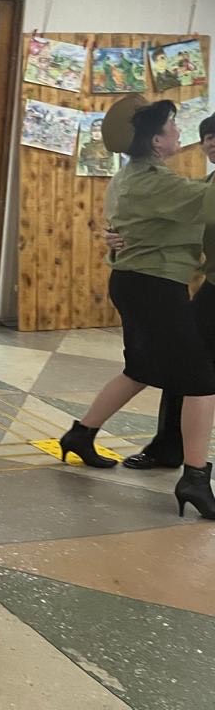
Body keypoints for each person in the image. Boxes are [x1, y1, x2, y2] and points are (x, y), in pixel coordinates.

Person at [62, 96, 215, 521]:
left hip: (138, 282)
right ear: (155, 141)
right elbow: (206, 203)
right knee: (200, 381)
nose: (180, 133)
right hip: (155, 286)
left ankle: (80, 434)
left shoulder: (137, 175)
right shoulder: (155, 183)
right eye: (172, 127)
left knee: (141, 368)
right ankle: (195, 478)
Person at [103, 112, 215, 470]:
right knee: (187, 369)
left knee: (190, 370)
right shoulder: (202, 186)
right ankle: (170, 449)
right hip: (211, 288)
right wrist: (122, 236)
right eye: (208, 136)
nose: (211, 142)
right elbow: (171, 223)